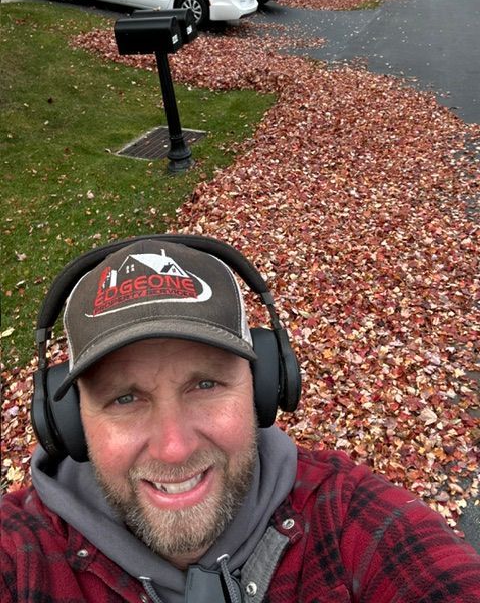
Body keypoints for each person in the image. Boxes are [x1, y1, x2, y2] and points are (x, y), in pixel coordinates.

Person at [1, 236, 479, 603]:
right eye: (125, 398)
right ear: (67, 420)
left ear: (266, 385)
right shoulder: (21, 556)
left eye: (205, 385)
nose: (174, 448)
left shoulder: (349, 517)